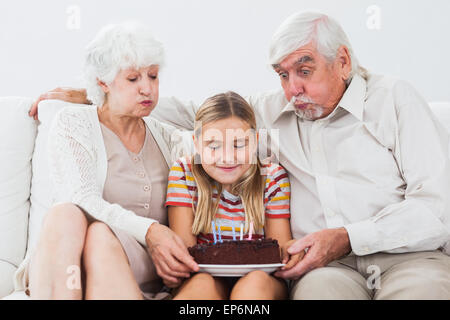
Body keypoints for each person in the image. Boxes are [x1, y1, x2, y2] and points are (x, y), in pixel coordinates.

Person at [30, 11, 450, 299]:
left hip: (405, 256)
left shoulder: (396, 100)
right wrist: (93, 94)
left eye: (304, 71)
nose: (292, 89)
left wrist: (346, 237)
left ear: (342, 62)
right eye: (282, 75)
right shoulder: (272, 111)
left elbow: (437, 209)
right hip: (328, 269)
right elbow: (203, 115)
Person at [25, 21, 199, 300]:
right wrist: (151, 230)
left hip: (137, 266)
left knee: (100, 239)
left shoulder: (169, 138)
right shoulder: (73, 122)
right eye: (133, 79)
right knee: (66, 214)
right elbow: (81, 197)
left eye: (153, 77)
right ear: (102, 82)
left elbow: (229, 134)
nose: (147, 89)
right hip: (70, 261)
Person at [165, 91, 302, 299]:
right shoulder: (184, 173)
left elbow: (279, 247)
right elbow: (186, 251)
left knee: (253, 285)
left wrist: (291, 252)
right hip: (201, 274)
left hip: (261, 276)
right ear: (197, 143)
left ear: (255, 141)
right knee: (201, 287)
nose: (227, 157)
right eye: (213, 145)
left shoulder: (272, 178)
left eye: (239, 145)